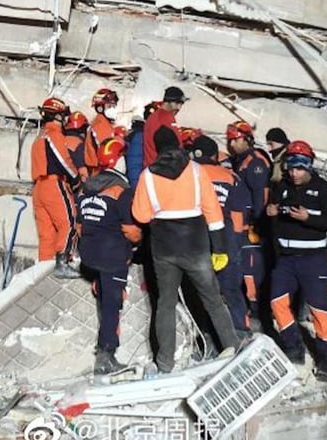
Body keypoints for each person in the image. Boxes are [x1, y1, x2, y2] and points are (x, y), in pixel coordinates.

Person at [132, 127, 239, 373]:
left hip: (163, 247)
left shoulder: (147, 175)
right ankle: (232, 347)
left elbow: (141, 215)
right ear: (179, 145)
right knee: (212, 299)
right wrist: (219, 247)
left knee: (165, 304)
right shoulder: (196, 170)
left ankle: (165, 363)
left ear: (157, 148)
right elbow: (213, 210)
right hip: (196, 244)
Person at [266, 140, 327, 381]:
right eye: (290, 168)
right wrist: (271, 213)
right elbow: (273, 218)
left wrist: (308, 218)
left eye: (299, 168)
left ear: (308, 167)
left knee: (319, 310)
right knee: (276, 302)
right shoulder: (282, 187)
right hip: (286, 260)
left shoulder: (325, 189)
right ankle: (294, 348)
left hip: (314, 260)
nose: (294, 173)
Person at [77, 136, 141, 375]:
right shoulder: (121, 191)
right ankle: (106, 355)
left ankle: (105, 346)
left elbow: (81, 225)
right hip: (112, 255)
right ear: (120, 161)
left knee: (104, 300)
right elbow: (131, 231)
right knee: (113, 305)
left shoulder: (87, 188)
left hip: (89, 255)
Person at [191, 135, 250, 335]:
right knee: (231, 289)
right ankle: (241, 330)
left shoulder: (189, 175)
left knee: (200, 290)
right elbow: (237, 215)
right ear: (215, 155)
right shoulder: (230, 177)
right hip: (226, 236)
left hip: (197, 236)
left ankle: (205, 335)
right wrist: (237, 244)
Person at [30, 97, 82, 279]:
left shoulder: (39, 136)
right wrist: (76, 179)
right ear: (58, 116)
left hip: (38, 188)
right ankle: (62, 262)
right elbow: (64, 160)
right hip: (54, 184)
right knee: (69, 223)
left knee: (47, 232)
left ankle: (45, 269)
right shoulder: (54, 134)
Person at [225, 121, 271, 324]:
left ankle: (258, 308)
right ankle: (248, 306)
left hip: (250, 225)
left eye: (236, 140)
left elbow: (261, 195)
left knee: (251, 269)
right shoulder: (239, 160)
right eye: (230, 140)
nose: (232, 144)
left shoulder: (255, 162)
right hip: (238, 224)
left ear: (247, 139)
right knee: (242, 268)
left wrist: (257, 223)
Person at [142, 86, 188, 168]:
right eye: (176, 103)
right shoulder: (162, 120)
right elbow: (170, 152)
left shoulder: (161, 117)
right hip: (162, 170)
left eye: (181, 104)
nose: (179, 108)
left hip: (158, 168)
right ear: (167, 102)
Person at [124, 101, 159, 189]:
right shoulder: (140, 136)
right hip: (142, 185)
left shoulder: (149, 135)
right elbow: (135, 163)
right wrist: (136, 188)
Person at [88, 88, 121, 162]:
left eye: (114, 106)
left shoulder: (103, 123)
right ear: (100, 108)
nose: (113, 109)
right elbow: (107, 153)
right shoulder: (101, 125)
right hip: (100, 169)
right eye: (109, 106)